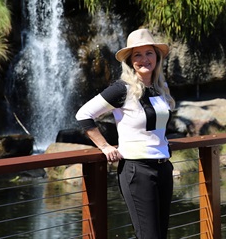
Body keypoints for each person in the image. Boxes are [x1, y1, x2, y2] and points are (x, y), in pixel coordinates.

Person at [75, 28, 175, 239]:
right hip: (137, 171)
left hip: (163, 167)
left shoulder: (160, 86)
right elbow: (84, 114)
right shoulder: (122, 88)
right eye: (137, 55)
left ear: (157, 56)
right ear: (130, 61)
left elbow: (157, 125)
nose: (144, 59)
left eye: (148, 53)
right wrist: (104, 146)